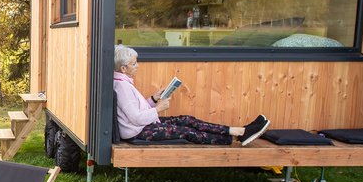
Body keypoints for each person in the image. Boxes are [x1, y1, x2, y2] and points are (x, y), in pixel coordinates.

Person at [112, 44, 270, 145]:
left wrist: (153, 99)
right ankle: (237, 135)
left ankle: (237, 131)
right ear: (123, 68)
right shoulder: (122, 87)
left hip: (143, 125)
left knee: (186, 120)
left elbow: (136, 110)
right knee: (186, 132)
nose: (137, 66)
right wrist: (158, 109)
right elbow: (136, 118)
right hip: (138, 131)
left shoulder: (123, 82)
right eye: (134, 63)